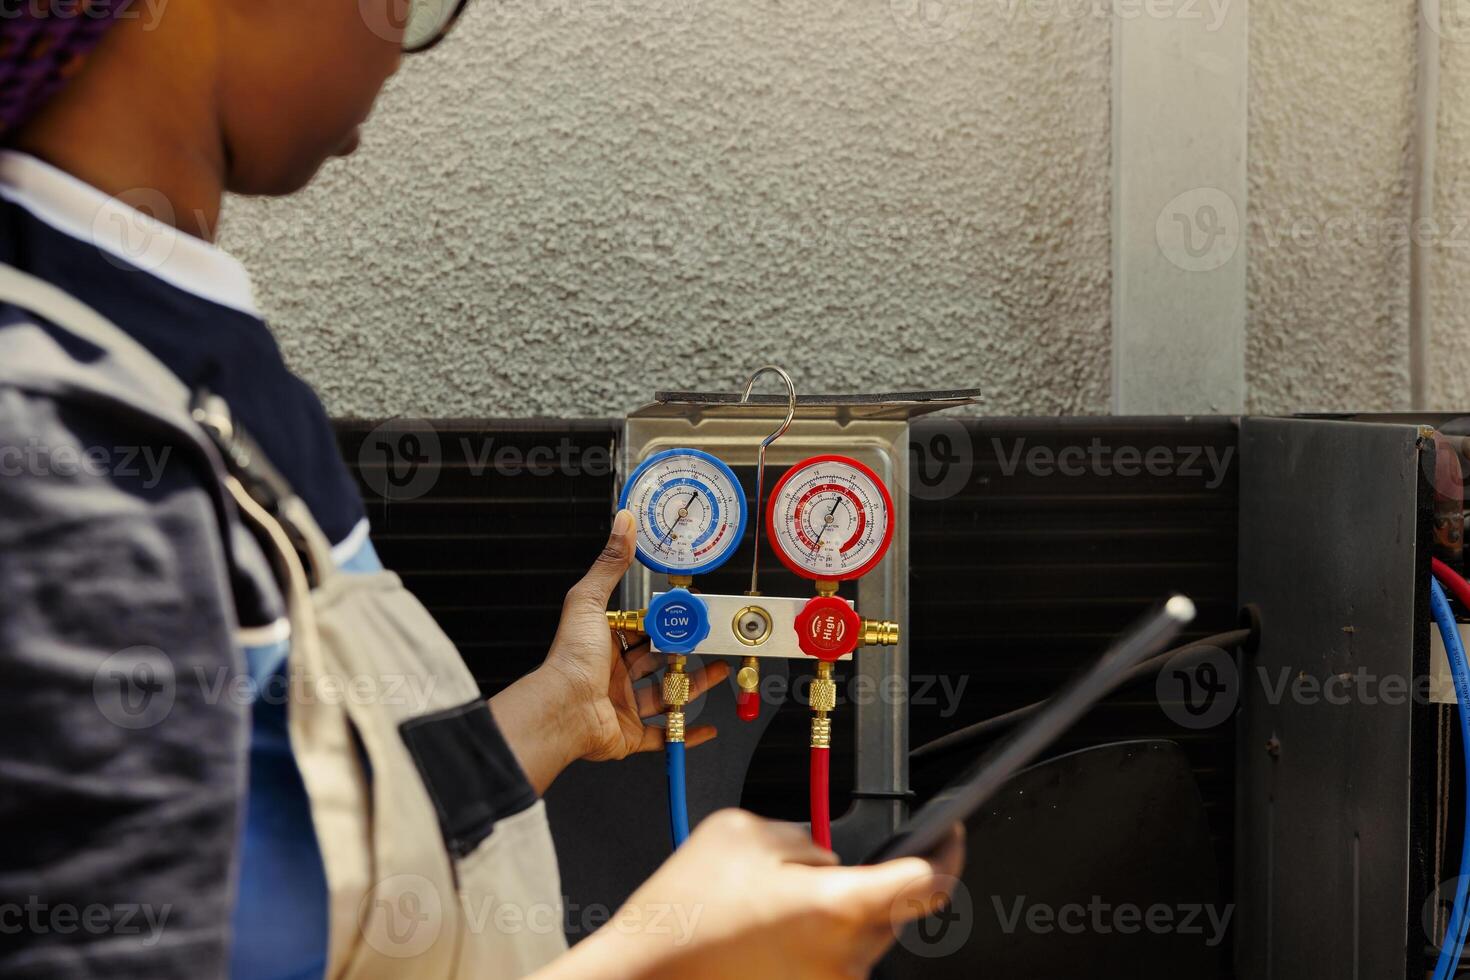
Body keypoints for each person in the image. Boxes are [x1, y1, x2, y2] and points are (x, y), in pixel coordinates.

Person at [0, 1, 964, 978]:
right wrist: (660, 961)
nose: (413, 41)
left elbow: (289, 842)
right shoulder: (55, 430)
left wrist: (546, 719)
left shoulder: (162, 350)